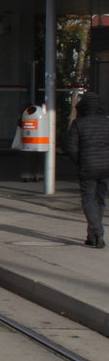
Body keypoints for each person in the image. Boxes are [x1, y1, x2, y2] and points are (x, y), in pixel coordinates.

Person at [64, 91, 109, 248]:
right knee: (100, 200)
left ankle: (97, 232)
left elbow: (70, 147)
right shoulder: (106, 122)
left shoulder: (79, 123)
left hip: (87, 167)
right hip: (106, 168)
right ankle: (93, 236)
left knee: (88, 199)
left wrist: (80, 161)